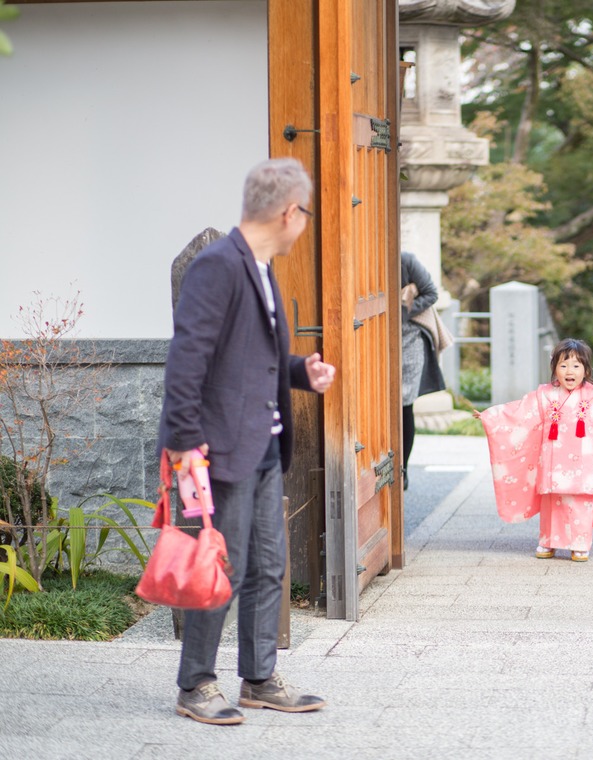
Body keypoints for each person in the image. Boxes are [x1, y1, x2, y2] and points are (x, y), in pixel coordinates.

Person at [158, 157, 336, 726]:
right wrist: (185, 444)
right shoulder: (218, 266)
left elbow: (249, 361)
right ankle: (196, 685)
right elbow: (187, 361)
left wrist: (299, 372)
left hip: (262, 444)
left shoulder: (258, 266)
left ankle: (259, 678)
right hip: (220, 448)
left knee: (267, 566)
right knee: (222, 568)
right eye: (305, 213)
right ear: (289, 212)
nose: (304, 223)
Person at [473, 338, 593, 562]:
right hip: (553, 461)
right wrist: (490, 416)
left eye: (576, 365)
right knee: (552, 502)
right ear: (554, 369)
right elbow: (519, 412)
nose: (569, 371)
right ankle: (548, 541)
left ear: (586, 370)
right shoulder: (545, 395)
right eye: (563, 365)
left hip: (583, 463)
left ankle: (579, 543)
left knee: (580, 502)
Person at [399, 252, 447, 490]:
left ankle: (403, 469)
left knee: (404, 403)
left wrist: (400, 311)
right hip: (375, 335)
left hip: (409, 338)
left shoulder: (405, 259)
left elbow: (431, 293)